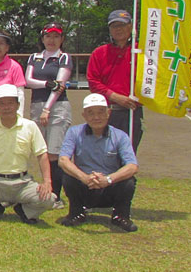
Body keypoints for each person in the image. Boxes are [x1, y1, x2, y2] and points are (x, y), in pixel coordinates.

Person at [0, 84, 55, 224]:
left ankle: (24, 211)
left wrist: (47, 182)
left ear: (18, 105)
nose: (6, 107)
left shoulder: (29, 126)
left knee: (49, 198)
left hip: (23, 183)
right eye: (2, 103)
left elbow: (42, 155)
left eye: (10, 103)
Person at [58, 94, 139, 232]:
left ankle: (121, 216)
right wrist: (84, 177)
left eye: (101, 112)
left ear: (108, 113)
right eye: (91, 113)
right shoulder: (74, 132)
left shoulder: (120, 136)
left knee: (129, 181)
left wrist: (108, 179)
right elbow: (63, 160)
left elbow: (132, 166)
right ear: (84, 115)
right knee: (68, 175)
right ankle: (76, 213)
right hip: (85, 185)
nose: (96, 117)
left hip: (109, 186)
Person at [25, 22, 72, 210]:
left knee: (54, 152)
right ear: (42, 38)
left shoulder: (64, 57)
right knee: (41, 151)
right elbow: (28, 80)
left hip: (57, 107)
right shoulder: (34, 57)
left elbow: (59, 85)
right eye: (48, 36)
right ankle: (46, 187)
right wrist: (46, 84)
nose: (51, 40)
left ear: (62, 39)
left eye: (56, 36)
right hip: (36, 105)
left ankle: (56, 195)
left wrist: (47, 109)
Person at [87, 9, 144, 152]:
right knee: (104, 153)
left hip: (132, 112)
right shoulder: (99, 53)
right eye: (114, 26)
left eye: (122, 25)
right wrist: (115, 97)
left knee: (128, 154)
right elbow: (93, 82)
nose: (118, 29)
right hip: (107, 111)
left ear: (130, 27)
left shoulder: (141, 52)